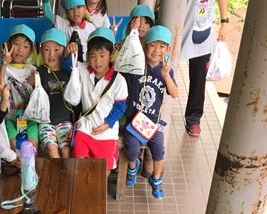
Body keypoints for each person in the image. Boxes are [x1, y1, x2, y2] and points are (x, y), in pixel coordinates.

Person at [123, 25, 178, 199]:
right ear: (145, 46)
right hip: (133, 120)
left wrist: (166, 76)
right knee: (132, 149)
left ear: (167, 49)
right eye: (152, 45)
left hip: (152, 123)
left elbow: (175, 93)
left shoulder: (166, 71)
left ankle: (156, 180)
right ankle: (133, 168)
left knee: (159, 148)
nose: (156, 50)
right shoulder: (136, 64)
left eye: (162, 46)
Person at [71, 27, 128, 167]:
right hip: (85, 127)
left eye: (102, 56)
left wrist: (107, 124)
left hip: (107, 131)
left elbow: (119, 108)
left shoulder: (119, 80)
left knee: (104, 167)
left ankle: (100, 182)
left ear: (111, 54)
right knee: (79, 159)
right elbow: (68, 64)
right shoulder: (83, 69)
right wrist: (69, 50)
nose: (97, 62)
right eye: (92, 56)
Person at [181, 0, 229, 137]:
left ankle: (193, 119)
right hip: (177, 26)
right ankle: (156, 111)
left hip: (203, 30)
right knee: (165, 72)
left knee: (199, 78)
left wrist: (224, 22)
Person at [0, 25, 39, 153]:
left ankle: (30, 165)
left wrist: (36, 84)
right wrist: (4, 64)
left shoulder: (32, 70)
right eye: (16, 44)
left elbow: (39, 95)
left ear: (31, 51)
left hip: (30, 118)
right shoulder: (3, 68)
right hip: (10, 117)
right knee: (14, 145)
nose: (20, 50)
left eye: (25, 46)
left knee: (32, 146)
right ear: (9, 44)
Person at [37, 28, 76, 158]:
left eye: (56, 49)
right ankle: (58, 172)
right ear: (40, 51)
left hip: (65, 121)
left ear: (64, 51)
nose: (51, 54)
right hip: (46, 122)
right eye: (46, 50)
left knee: (66, 150)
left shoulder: (69, 72)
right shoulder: (38, 72)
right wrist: (33, 82)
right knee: (51, 148)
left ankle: (65, 171)